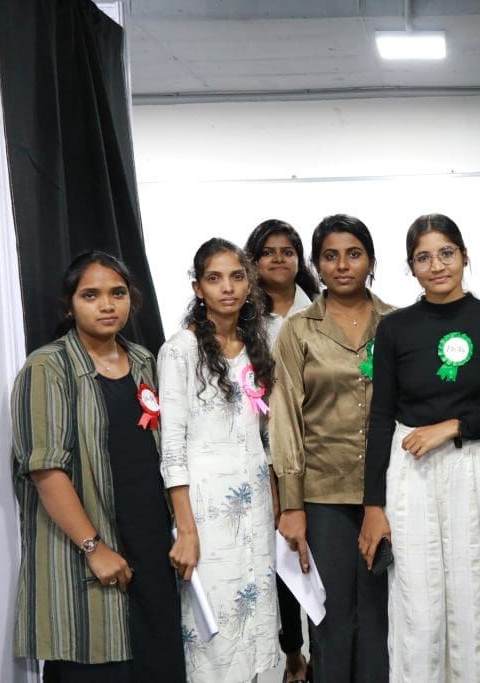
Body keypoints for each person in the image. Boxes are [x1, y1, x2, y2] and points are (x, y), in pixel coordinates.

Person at [360, 213, 480, 682]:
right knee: (416, 600)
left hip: (473, 466)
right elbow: (381, 417)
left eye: (446, 253)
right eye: (423, 258)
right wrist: (373, 506)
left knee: (473, 595)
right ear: (411, 267)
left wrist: (453, 427)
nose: (436, 266)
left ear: (464, 256)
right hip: (409, 470)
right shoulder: (395, 327)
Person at [11, 251, 185, 682]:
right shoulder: (47, 367)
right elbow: (45, 471)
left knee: (158, 665)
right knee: (97, 665)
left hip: (151, 550)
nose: (107, 305)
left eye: (117, 293)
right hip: (89, 551)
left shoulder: (144, 361)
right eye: (91, 295)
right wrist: (94, 548)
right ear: (69, 305)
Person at [271, 214, 394, 682]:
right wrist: (292, 504)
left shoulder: (398, 323)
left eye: (353, 254)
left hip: (388, 491)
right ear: (317, 265)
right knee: (330, 618)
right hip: (323, 496)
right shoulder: (298, 330)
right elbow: (285, 417)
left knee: (382, 617)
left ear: (371, 261)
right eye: (330, 256)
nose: (342, 265)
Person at [159, 238, 280, 683]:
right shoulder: (180, 350)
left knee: (259, 623)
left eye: (236, 276)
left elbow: (263, 438)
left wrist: (276, 504)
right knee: (216, 629)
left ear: (249, 284)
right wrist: (186, 529)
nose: (227, 287)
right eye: (214, 278)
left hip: (256, 508)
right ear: (198, 288)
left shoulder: (256, 345)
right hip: (207, 513)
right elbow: (172, 447)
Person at [245, 218, 315, 683]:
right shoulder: (243, 317)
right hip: (267, 451)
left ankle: (327, 651)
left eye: (287, 251)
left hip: (323, 450)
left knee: (324, 554)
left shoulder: (322, 307)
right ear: (253, 262)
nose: (278, 259)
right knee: (284, 556)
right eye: (267, 252)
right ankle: (293, 653)